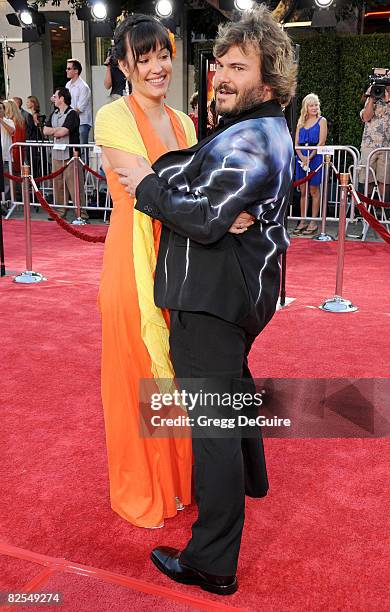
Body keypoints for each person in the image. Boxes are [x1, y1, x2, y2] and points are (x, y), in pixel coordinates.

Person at [115, 4, 296, 595]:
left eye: (237, 67)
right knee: (234, 392)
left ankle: (212, 561)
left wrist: (146, 185)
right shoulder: (248, 128)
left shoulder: (255, 136)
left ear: (266, 84)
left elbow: (204, 214)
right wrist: (184, 186)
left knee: (211, 426)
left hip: (213, 298)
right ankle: (254, 479)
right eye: (219, 62)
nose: (220, 73)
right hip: (227, 293)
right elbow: (193, 178)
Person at [94, 14, 196, 529]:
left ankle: (175, 483)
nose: (158, 68)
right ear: (125, 66)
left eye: (163, 55)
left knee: (172, 373)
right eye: (145, 59)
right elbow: (147, 188)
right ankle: (143, 489)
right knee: (138, 373)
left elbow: (178, 192)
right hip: (133, 263)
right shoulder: (114, 116)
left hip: (178, 262)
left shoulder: (185, 122)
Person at [43, 88, 88, 221]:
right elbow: (45, 130)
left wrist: (54, 131)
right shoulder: (54, 113)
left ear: (62, 98)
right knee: (58, 183)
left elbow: (63, 132)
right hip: (56, 154)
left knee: (74, 185)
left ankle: (81, 214)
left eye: (55, 96)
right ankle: (60, 212)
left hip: (70, 155)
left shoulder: (72, 114)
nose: (53, 98)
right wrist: (55, 131)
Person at [294, 93, 327, 235]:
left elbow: (321, 142)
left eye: (316, 105)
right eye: (311, 105)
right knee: (303, 191)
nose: (314, 108)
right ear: (306, 107)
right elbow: (296, 144)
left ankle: (313, 222)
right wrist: (302, 157)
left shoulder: (322, 121)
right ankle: (302, 220)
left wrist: (310, 157)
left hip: (316, 158)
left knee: (314, 190)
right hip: (301, 158)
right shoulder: (300, 122)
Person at [359, 80, 390, 201]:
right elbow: (366, 117)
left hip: (387, 147)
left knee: (385, 181)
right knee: (367, 180)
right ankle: (366, 211)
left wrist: (388, 100)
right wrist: (372, 97)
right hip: (369, 145)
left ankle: (383, 214)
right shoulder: (370, 100)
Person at [65, 59, 92, 146]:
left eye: (69, 69)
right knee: (72, 150)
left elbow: (80, 108)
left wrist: (66, 114)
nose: (66, 71)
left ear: (76, 71)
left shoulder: (83, 87)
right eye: (67, 68)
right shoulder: (67, 85)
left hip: (82, 122)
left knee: (82, 150)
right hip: (71, 122)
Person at [4, 99, 26, 175]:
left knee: (13, 175)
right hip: (18, 150)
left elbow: (15, 138)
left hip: (14, 151)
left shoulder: (12, 121)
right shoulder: (19, 120)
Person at [0, 100, 15, 206]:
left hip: (5, 156)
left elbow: (11, 131)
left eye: (0, 108)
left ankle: (6, 203)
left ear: (4, 110)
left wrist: (1, 120)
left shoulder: (8, 121)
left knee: (6, 182)